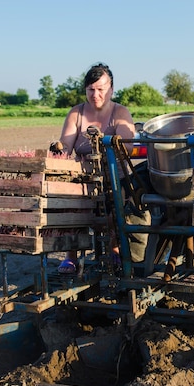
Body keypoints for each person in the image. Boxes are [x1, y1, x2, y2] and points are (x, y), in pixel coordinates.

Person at [51, 62, 136, 273]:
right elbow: (66, 146)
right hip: (84, 175)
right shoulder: (76, 114)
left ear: (111, 89)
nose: (95, 94)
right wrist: (58, 152)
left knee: (117, 203)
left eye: (101, 89)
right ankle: (70, 254)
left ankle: (115, 248)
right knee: (65, 200)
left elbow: (127, 147)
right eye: (91, 89)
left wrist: (108, 145)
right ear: (85, 90)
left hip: (115, 174)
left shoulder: (120, 113)